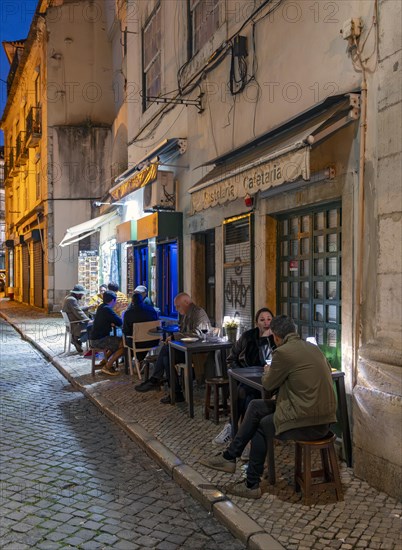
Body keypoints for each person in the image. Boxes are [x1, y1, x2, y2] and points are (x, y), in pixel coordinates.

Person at [199, 315, 337, 499]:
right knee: (256, 406)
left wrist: (267, 371)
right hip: (325, 418)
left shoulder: (283, 353)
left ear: (276, 337)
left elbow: (268, 385)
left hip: (307, 421)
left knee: (262, 425)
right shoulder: (314, 348)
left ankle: (251, 484)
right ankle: (230, 456)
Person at [214, 308, 275, 447]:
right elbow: (231, 359)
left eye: (269, 319)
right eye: (262, 320)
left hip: (267, 381)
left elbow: (267, 360)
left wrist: (266, 339)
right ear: (256, 323)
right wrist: (240, 373)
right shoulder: (247, 337)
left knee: (246, 395)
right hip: (246, 379)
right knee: (246, 393)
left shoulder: (275, 338)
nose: (266, 323)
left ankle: (233, 428)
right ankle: (246, 437)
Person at [134, 292, 211, 403]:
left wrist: (175, 336)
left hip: (197, 352)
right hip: (186, 350)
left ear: (186, 302)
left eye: (177, 306)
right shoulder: (186, 315)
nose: (176, 308)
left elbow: (198, 333)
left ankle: (159, 381)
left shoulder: (198, 313)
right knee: (167, 356)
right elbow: (184, 332)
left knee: (167, 350)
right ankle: (174, 392)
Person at [89, 290, 124, 376]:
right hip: (99, 340)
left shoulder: (101, 307)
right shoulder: (107, 309)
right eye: (115, 301)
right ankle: (107, 366)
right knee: (123, 344)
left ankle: (104, 361)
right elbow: (119, 322)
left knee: (115, 342)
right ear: (112, 300)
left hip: (94, 339)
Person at [123, 293, 159, 359]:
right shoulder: (152, 310)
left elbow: (126, 331)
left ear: (132, 301)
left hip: (137, 344)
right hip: (153, 342)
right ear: (142, 300)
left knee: (126, 341)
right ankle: (140, 361)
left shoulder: (128, 313)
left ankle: (132, 363)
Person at [62, 284, 91, 353]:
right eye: (81, 294)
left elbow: (76, 309)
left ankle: (76, 339)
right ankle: (79, 340)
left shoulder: (68, 297)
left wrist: (88, 307)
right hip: (75, 324)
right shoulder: (72, 300)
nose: (82, 296)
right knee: (92, 326)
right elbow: (79, 313)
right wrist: (89, 320)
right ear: (78, 294)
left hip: (72, 322)